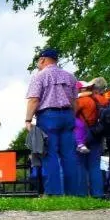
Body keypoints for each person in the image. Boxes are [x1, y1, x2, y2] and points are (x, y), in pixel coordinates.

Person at [25, 47, 80, 196]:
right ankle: (73, 193)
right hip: (68, 115)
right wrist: (72, 117)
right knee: (69, 155)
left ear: (42, 59)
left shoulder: (39, 76)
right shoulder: (70, 77)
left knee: (50, 155)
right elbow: (76, 102)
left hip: (48, 116)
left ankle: (54, 193)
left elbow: (34, 100)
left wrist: (28, 120)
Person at [75, 77, 110, 197]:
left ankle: (82, 194)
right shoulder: (105, 101)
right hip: (98, 133)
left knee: (80, 164)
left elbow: (72, 115)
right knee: (95, 165)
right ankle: (98, 194)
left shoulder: (83, 100)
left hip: (83, 133)